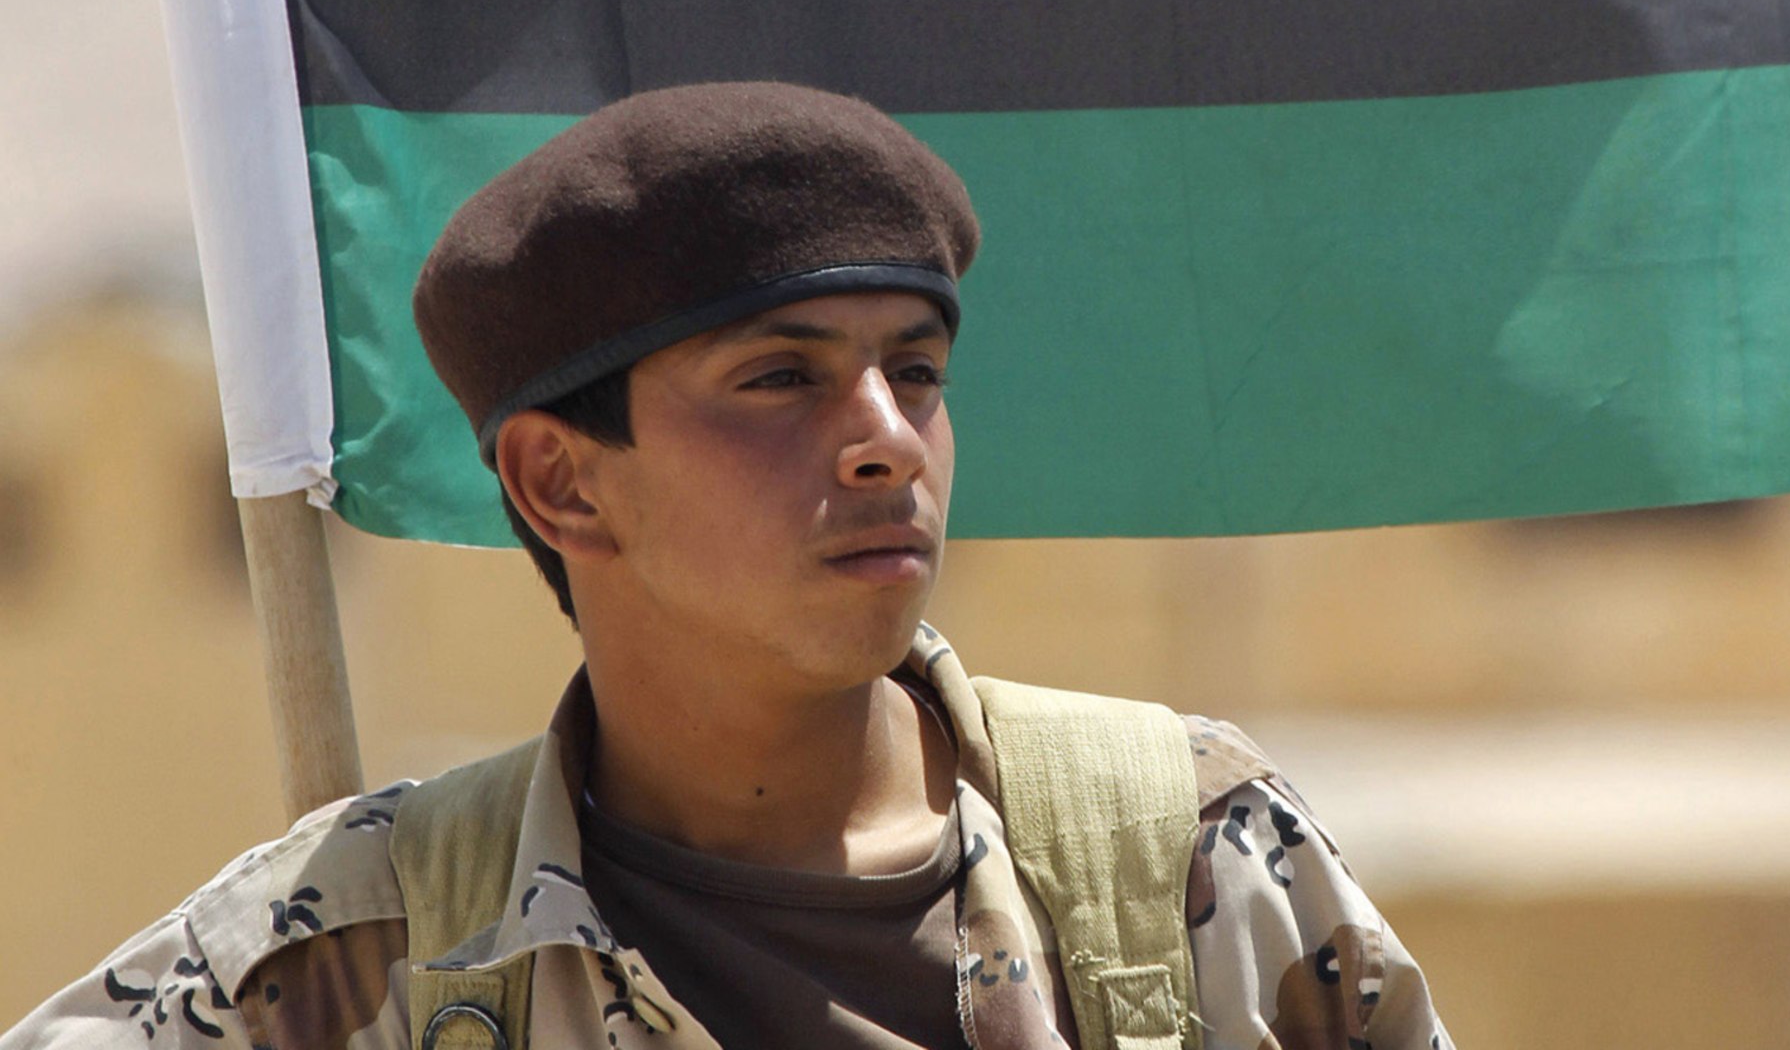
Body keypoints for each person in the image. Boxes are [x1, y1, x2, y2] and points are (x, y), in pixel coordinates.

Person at [1, 82, 1450, 1049]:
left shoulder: (1188, 860)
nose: (889, 441)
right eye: (780, 380)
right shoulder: (355, 952)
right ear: (561, 479)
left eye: (918, 373)